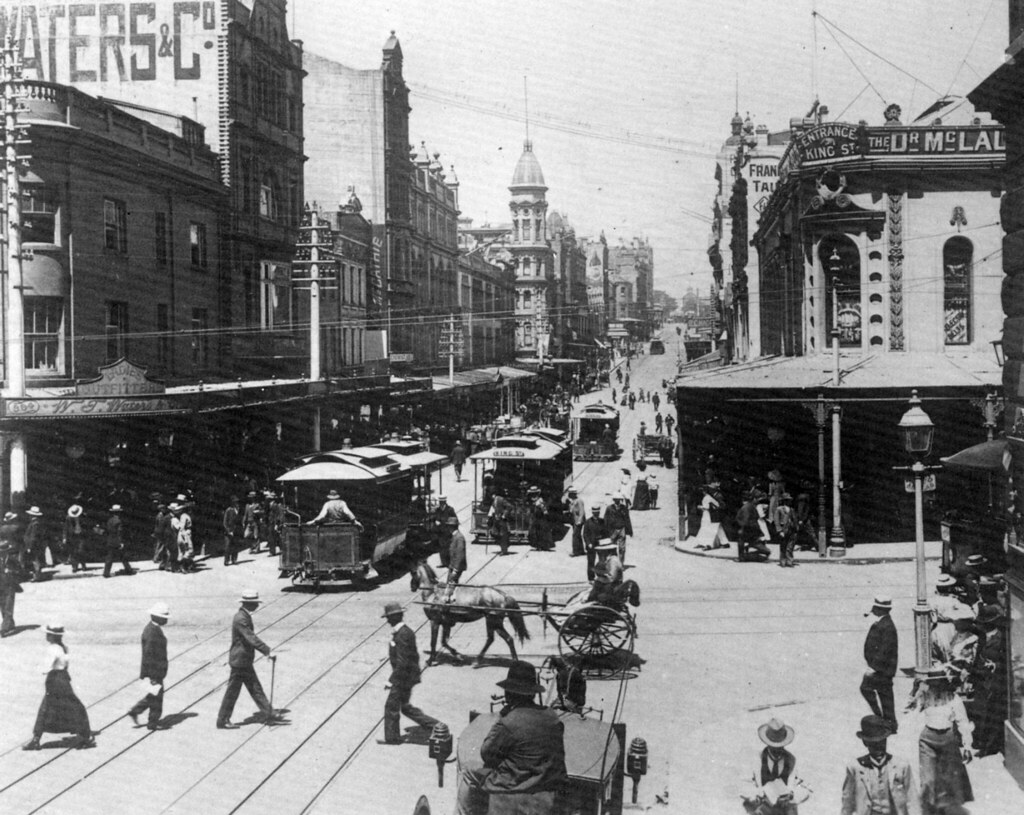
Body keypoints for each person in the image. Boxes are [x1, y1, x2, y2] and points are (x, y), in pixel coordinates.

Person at [476, 661, 568, 815]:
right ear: (532, 693)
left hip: (511, 789)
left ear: (508, 693)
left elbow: (487, 754)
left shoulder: (509, 722)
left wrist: (502, 718)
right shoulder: (553, 717)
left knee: (468, 773)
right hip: (546, 788)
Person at [905, 668, 973, 815]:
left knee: (948, 781)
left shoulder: (954, 699)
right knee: (928, 781)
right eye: (933, 683)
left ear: (944, 682)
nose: (936, 686)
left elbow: (963, 722)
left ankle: (945, 810)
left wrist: (967, 746)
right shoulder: (925, 696)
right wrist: (915, 690)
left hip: (948, 740)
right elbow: (909, 708)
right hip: (928, 741)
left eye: (939, 682)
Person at [23, 624, 95, 750]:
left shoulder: (52, 649)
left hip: (55, 680)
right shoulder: (64, 647)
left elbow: (46, 667)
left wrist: (38, 668)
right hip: (64, 679)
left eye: (48, 634)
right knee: (74, 707)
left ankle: (36, 739)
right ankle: (82, 735)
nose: (46, 636)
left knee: (46, 709)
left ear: (52, 636)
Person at [216, 589, 280, 729]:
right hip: (239, 661)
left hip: (243, 660)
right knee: (233, 692)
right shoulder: (241, 618)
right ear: (248, 604)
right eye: (255, 603)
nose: (257, 605)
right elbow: (250, 637)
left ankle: (269, 712)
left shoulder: (244, 616)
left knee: (254, 687)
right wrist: (267, 651)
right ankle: (222, 720)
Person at [379, 601, 439, 744]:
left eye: (388, 617)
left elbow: (403, 661)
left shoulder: (403, 634)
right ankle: (436, 726)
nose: (387, 620)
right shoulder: (402, 632)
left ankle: (392, 739)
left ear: (395, 617)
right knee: (405, 707)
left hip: (404, 677)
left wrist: (391, 680)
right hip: (407, 675)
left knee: (391, 706)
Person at [840, 715, 918, 815]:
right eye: (874, 744)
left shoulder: (901, 766)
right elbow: (847, 804)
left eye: (882, 742)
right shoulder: (855, 768)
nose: (879, 748)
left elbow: (913, 801)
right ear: (865, 742)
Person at [740, 718, 810, 815]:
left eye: (780, 747)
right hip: (763, 810)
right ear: (767, 743)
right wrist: (758, 795)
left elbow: (805, 788)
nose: (776, 751)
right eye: (773, 746)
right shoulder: (757, 760)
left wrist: (791, 796)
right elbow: (744, 784)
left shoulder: (791, 761)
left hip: (785, 811)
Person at [127, 602, 170, 731]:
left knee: (153, 695)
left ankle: (135, 711)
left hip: (155, 671)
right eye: (165, 617)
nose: (167, 620)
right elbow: (149, 655)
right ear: (158, 617)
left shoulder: (153, 629)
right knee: (157, 698)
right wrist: (152, 675)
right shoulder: (152, 632)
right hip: (155, 671)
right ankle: (152, 723)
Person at [861, 595, 899, 734]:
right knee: (885, 695)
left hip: (881, 669)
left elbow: (885, 650)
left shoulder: (887, 625)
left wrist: (873, 667)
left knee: (869, 689)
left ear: (880, 609)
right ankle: (889, 722)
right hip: (881, 668)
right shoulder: (882, 622)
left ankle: (883, 720)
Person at [587, 540, 627, 606]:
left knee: (598, 592)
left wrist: (599, 578)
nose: (599, 553)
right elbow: (598, 569)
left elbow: (611, 578)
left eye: (601, 551)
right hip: (608, 586)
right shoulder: (606, 560)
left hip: (614, 589)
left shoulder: (613, 561)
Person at [736, 492, 771, 562]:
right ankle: (765, 552)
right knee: (755, 543)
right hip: (753, 529)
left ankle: (742, 556)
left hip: (747, 529)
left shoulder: (745, 507)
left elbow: (745, 520)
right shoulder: (751, 506)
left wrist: (741, 527)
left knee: (741, 541)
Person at [693, 482, 729, 550]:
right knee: (717, 528)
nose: (702, 492)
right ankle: (725, 543)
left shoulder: (709, 497)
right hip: (709, 514)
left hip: (710, 514)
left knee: (709, 528)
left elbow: (711, 506)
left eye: (703, 491)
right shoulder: (709, 497)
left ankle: (708, 544)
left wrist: (700, 507)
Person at [103, 504, 136, 578]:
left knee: (110, 557)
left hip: (110, 540)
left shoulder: (110, 520)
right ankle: (128, 570)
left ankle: (106, 572)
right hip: (117, 541)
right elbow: (119, 532)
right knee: (123, 556)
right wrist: (121, 542)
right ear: (119, 512)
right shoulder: (119, 521)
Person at [443, 516, 467, 602]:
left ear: (452, 527)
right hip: (452, 566)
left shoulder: (459, 538)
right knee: (451, 583)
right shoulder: (455, 536)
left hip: (456, 567)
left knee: (451, 583)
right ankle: (451, 599)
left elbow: (460, 555)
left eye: (449, 526)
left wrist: (455, 570)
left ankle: (451, 601)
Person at [0, 538, 21, 637]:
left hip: (9, 585)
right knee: (3, 607)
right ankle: (10, 623)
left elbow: (20, 570)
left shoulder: (12, 559)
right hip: (1, 585)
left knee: (8, 606)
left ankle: (5, 628)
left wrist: (11, 571)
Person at [604, 493, 633, 562]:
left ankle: (621, 564)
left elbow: (627, 519)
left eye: (619, 500)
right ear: (613, 500)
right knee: (611, 547)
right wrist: (605, 531)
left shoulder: (624, 508)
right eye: (616, 499)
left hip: (621, 529)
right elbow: (606, 519)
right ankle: (613, 563)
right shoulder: (609, 508)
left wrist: (630, 530)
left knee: (622, 548)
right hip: (612, 530)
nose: (617, 501)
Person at [169, 502, 195, 572]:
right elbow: (182, 528)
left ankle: (182, 567)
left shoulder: (178, 517)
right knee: (189, 551)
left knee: (181, 552)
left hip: (180, 535)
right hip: (185, 534)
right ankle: (182, 566)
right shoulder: (184, 516)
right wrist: (185, 538)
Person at [582, 504, 606, 581]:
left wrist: (605, 542)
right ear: (592, 513)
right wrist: (588, 543)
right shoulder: (588, 522)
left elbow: (605, 533)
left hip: (600, 544)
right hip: (591, 545)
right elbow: (585, 534)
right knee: (591, 562)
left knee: (602, 561)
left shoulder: (602, 521)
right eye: (595, 513)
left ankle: (601, 576)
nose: (596, 514)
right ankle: (591, 578)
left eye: (598, 512)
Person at [63, 502, 88, 573]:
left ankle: (83, 565)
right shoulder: (68, 518)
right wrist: (64, 537)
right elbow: (65, 528)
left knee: (81, 551)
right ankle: (74, 567)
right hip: (72, 536)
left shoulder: (83, 516)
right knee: (73, 552)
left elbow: (86, 526)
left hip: (81, 535)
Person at [774, 493, 797, 568]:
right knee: (783, 546)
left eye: (790, 500)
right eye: (787, 500)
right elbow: (776, 521)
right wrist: (779, 531)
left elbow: (794, 520)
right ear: (784, 501)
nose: (789, 502)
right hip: (783, 529)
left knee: (790, 546)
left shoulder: (792, 509)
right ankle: (783, 561)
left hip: (791, 529)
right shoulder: (779, 509)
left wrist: (796, 528)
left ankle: (789, 561)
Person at [24, 506, 46, 583]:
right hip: (36, 544)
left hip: (34, 545)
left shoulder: (35, 524)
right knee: (35, 559)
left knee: (35, 560)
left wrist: (30, 546)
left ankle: (37, 576)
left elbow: (33, 536)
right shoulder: (35, 523)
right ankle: (37, 575)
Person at [153, 502, 176, 572]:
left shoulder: (164, 516)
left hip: (162, 534)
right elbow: (160, 526)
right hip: (163, 535)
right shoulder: (163, 516)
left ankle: (162, 564)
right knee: (166, 549)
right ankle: (165, 564)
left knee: (164, 549)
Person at [527, 487, 553, 551]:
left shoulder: (540, 500)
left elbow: (544, 510)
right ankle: (538, 545)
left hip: (540, 518)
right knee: (534, 532)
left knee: (541, 532)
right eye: (532, 493)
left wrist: (543, 511)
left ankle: (543, 546)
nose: (533, 495)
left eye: (534, 493)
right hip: (535, 518)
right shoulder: (532, 500)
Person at [222, 495, 242, 566]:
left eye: (237, 502)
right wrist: (228, 531)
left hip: (236, 531)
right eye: (235, 502)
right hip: (229, 531)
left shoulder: (238, 510)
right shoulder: (228, 510)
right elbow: (224, 522)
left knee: (235, 546)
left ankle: (234, 559)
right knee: (227, 546)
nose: (236, 503)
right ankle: (226, 561)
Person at [566, 487, 586, 557]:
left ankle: (575, 551)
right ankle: (581, 550)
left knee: (575, 535)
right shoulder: (572, 501)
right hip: (574, 521)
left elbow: (581, 511)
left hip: (578, 521)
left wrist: (579, 521)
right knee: (578, 535)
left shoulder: (579, 501)